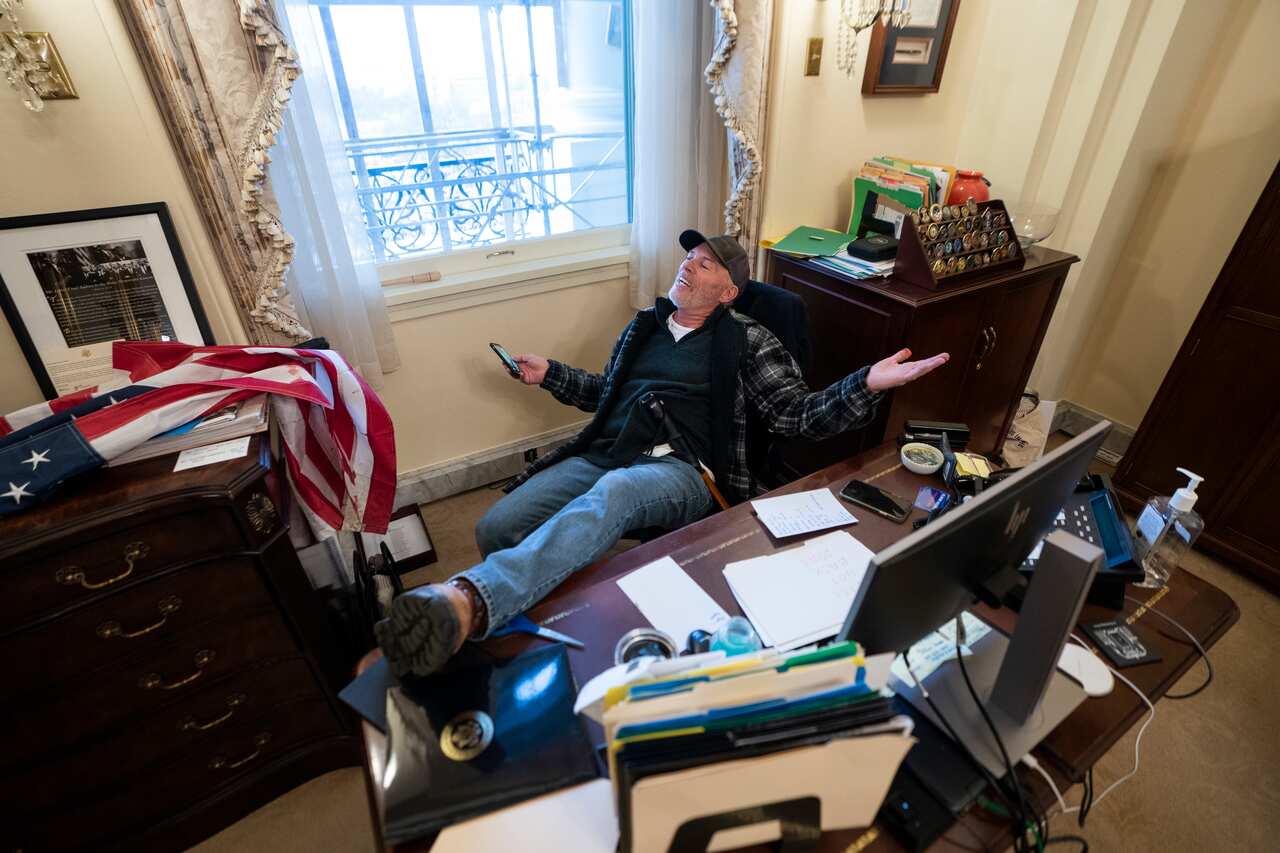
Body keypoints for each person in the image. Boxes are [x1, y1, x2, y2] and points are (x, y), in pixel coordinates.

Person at [375, 229, 949, 678]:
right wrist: (551, 375)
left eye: (705, 263)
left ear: (729, 292)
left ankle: (468, 600)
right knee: (496, 528)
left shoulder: (748, 339)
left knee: (616, 495)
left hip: (684, 470)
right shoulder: (645, 327)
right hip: (608, 452)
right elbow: (609, 395)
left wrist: (866, 384)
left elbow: (795, 416)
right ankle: (543, 628)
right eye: (687, 257)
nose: (687, 265)